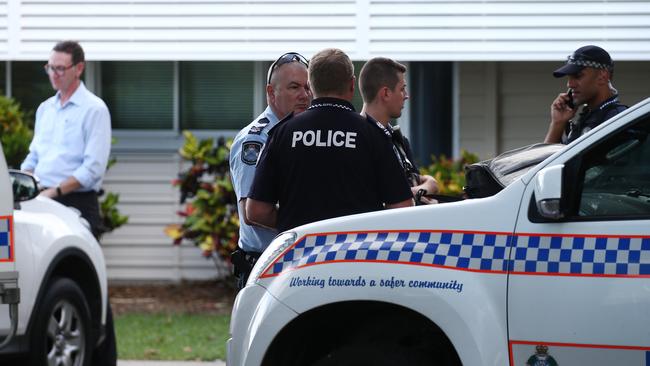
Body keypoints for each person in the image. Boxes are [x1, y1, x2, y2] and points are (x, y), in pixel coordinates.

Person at [20, 40, 116, 365]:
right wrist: (22, 182)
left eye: (61, 69)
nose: (54, 75)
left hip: (75, 201)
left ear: (79, 68)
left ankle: (99, 354)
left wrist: (54, 193)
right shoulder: (45, 109)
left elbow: (91, 169)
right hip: (41, 198)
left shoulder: (94, 109)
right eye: (50, 68)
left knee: (79, 278)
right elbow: (34, 156)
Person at [246, 48, 414, 234]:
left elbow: (256, 211)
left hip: (300, 257)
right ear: (352, 84)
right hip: (356, 255)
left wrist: (297, 226)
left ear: (310, 85)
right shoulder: (372, 133)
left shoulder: (283, 133)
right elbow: (402, 208)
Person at [229, 52, 310, 287]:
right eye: (294, 87)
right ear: (271, 92)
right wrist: (310, 221)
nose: (304, 95)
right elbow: (253, 212)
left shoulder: (303, 135)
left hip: (295, 261)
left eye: (307, 87)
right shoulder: (255, 140)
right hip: (264, 265)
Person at [359, 57, 439, 205]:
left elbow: (419, 182)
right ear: (386, 93)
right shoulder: (359, 139)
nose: (407, 95)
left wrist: (423, 187)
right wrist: (421, 190)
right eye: (402, 89)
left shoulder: (396, 139)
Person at [544, 45, 627, 144]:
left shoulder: (618, 121)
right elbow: (551, 159)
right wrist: (558, 123)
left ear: (602, 76)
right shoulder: (588, 117)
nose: (570, 84)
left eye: (577, 76)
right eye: (569, 78)